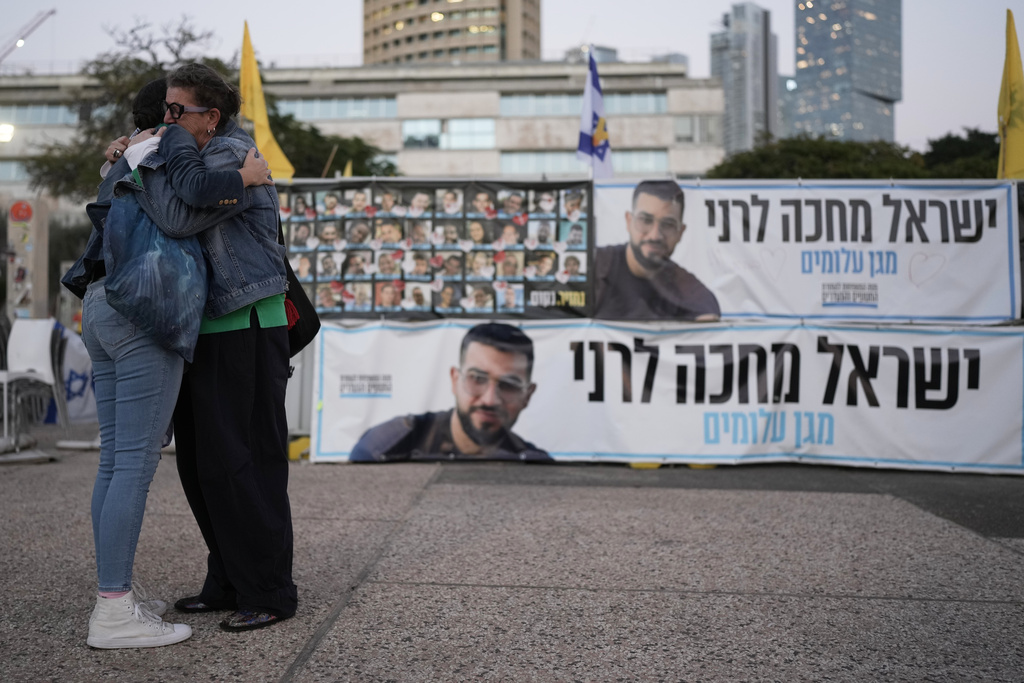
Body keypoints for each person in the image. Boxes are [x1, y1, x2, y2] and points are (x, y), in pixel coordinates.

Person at [62, 76, 273, 648]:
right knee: (132, 463)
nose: (181, 119)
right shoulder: (157, 151)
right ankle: (112, 609)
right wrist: (243, 182)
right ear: (168, 116)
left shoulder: (126, 155)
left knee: (114, 463)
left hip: (104, 305)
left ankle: (117, 596)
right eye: (174, 109)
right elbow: (180, 220)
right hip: (143, 311)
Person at [134, 63, 299, 632]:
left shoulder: (234, 153)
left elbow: (182, 212)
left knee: (247, 463)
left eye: (179, 112)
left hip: (248, 319)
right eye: (166, 111)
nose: (168, 120)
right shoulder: (188, 152)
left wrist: (149, 153)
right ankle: (227, 580)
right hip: (201, 326)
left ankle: (270, 590)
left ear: (213, 116)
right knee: (205, 467)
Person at [350, 323, 551, 462]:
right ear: (455, 379)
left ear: (528, 395)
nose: (490, 400)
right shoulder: (385, 447)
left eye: (509, 385)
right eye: (477, 379)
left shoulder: (537, 466)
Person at [594, 179, 720, 321]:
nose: (655, 235)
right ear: (629, 221)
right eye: (646, 220)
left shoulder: (691, 292)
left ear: (680, 233)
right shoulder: (593, 268)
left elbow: (707, 318)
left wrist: (707, 326)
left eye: (668, 224)